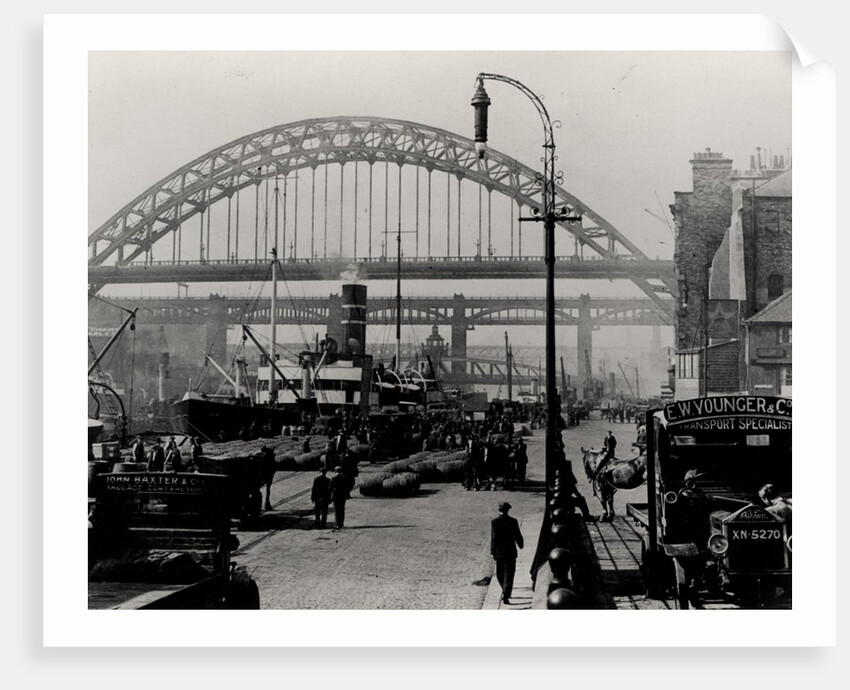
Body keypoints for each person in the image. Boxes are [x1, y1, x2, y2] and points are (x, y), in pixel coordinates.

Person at [490, 501, 524, 604]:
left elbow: (493, 538)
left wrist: (492, 551)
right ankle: (506, 592)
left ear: (499, 510)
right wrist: (520, 544)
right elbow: (517, 535)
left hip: (499, 552)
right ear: (508, 510)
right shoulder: (513, 521)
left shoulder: (494, 522)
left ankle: (505, 590)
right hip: (510, 551)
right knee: (509, 573)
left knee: (500, 574)